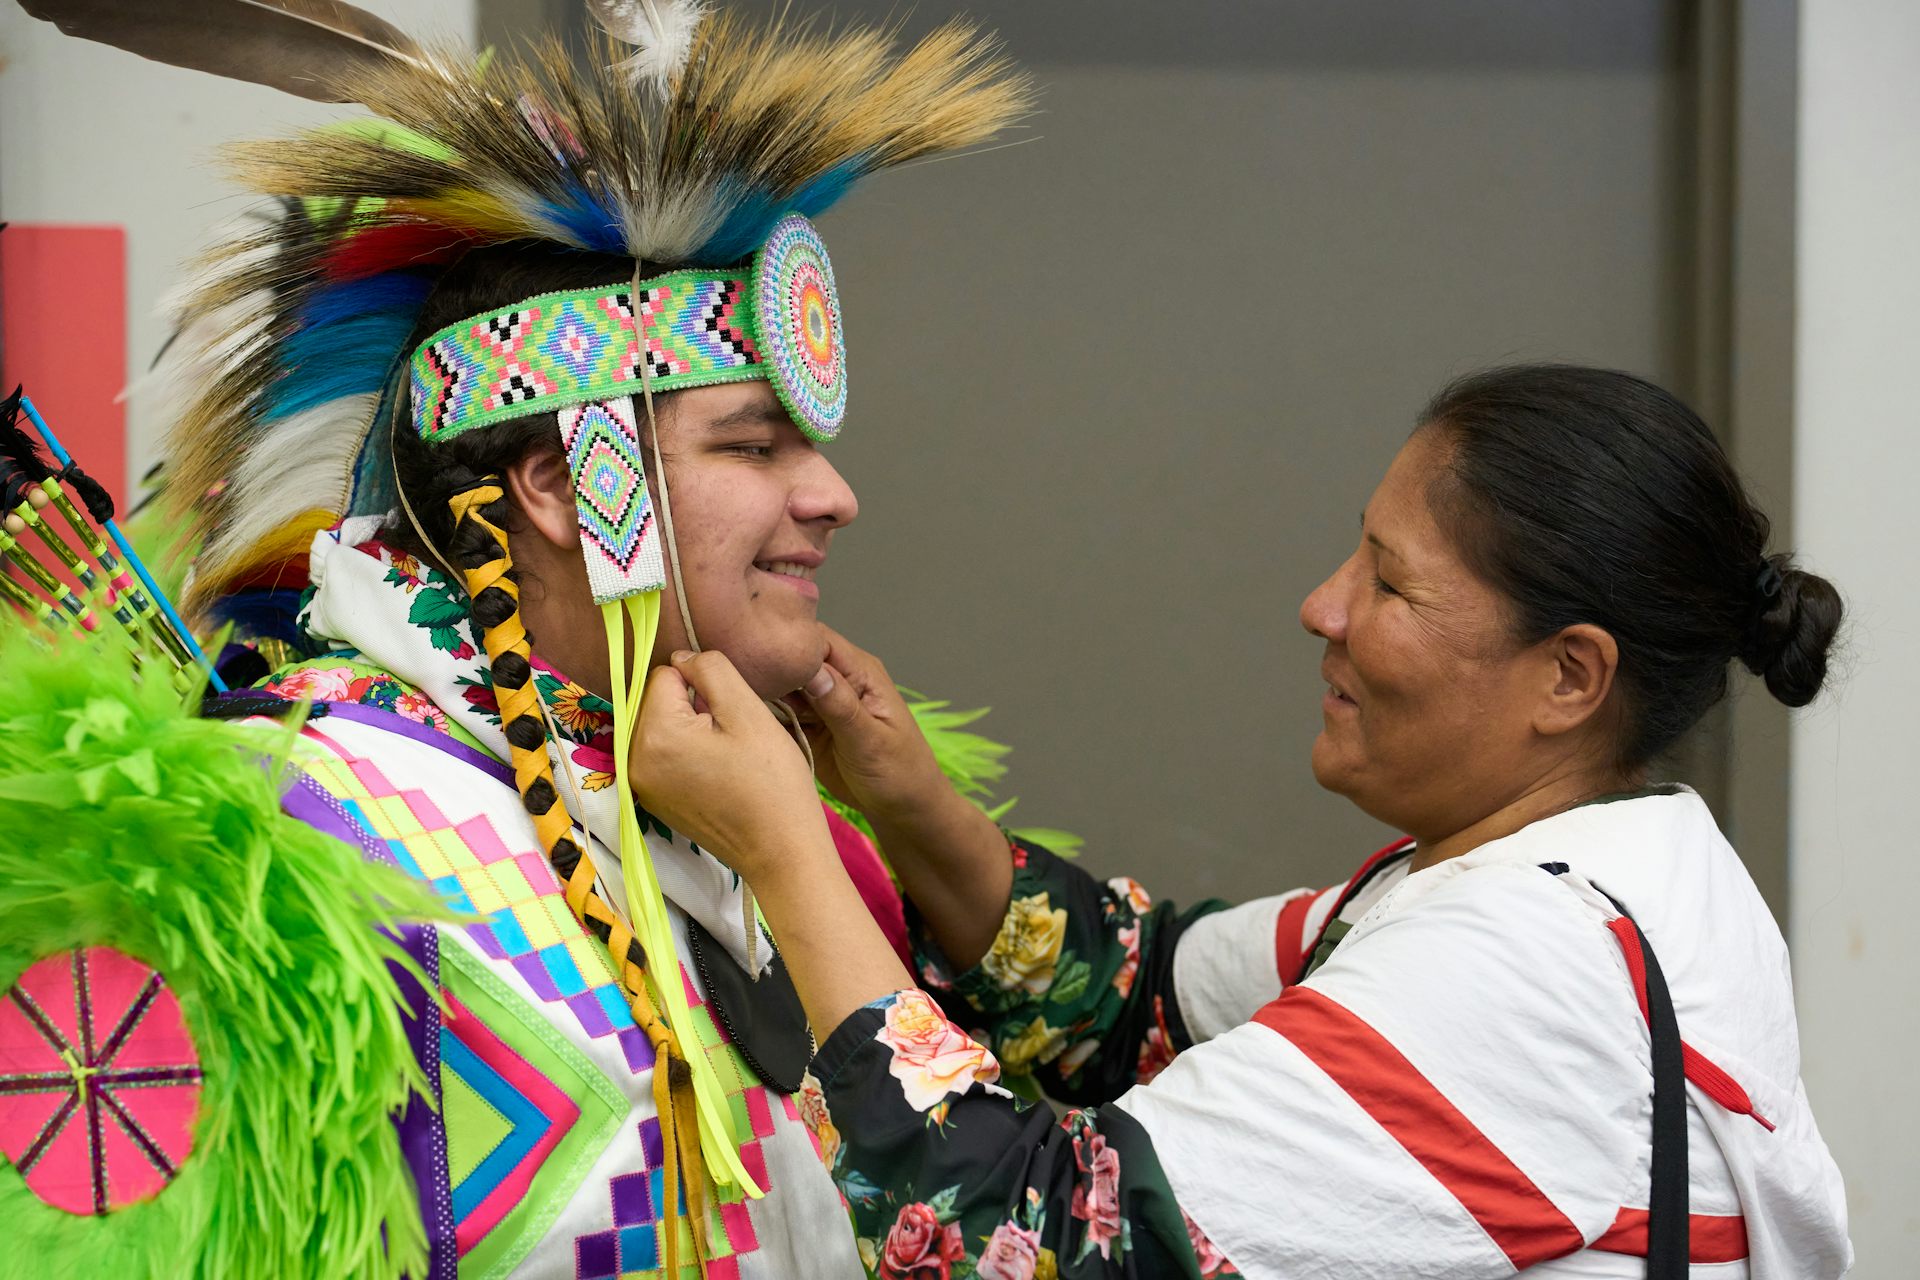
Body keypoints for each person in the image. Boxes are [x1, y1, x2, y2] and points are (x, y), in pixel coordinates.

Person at [1, 2, 1027, 1276]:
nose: (831, 494)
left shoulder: (747, 805)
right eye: (754, 445)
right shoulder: (303, 825)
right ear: (559, 484)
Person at [629, 364, 1853, 1279]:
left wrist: (787, 846)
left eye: (1390, 580)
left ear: (1570, 678)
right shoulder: (1570, 873)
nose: (1323, 606)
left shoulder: (1540, 965)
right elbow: (1137, 996)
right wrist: (909, 800)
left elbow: (1032, 1240)